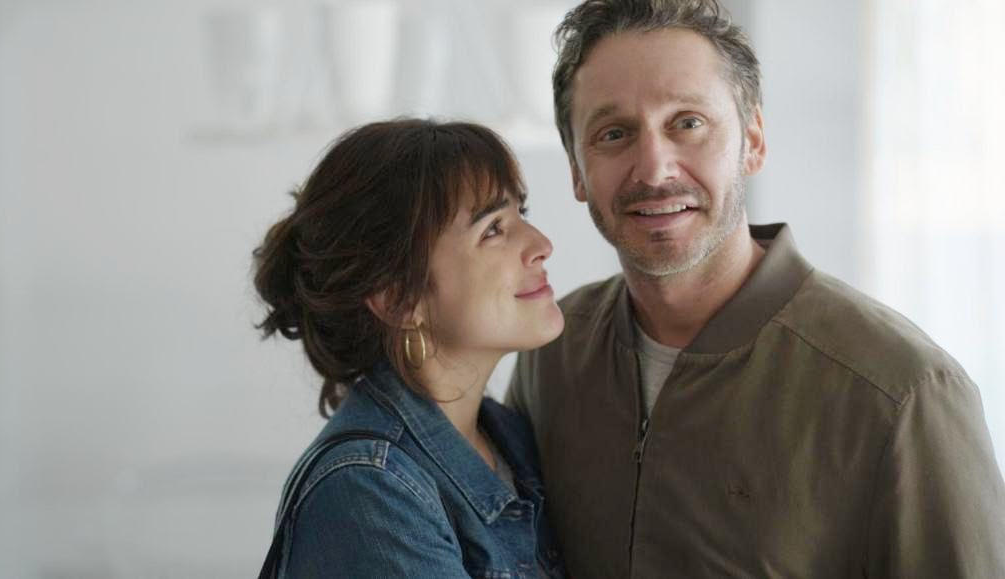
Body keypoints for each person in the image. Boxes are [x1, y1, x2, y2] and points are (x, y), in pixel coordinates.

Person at [506, 0, 1005, 577]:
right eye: (613, 134)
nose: (654, 169)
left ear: (754, 140)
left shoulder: (903, 391)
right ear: (576, 170)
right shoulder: (550, 352)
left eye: (687, 123)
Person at [253, 119, 566, 578]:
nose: (542, 244)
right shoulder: (370, 490)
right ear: (398, 299)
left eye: (522, 213)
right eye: (493, 229)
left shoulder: (514, 438)